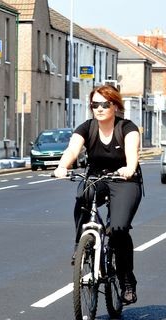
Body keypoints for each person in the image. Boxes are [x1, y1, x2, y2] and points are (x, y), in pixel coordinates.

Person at [54, 85, 143, 305]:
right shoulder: (87, 127)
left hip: (124, 180)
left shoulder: (127, 128)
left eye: (105, 104)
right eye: (95, 104)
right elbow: (73, 149)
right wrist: (62, 166)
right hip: (97, 178)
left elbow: (133, 153)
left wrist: (130, 167)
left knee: (119, 229)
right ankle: (80, 246)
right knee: (82, 197)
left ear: (115, 105)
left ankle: (126, 281)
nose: (100, 109)